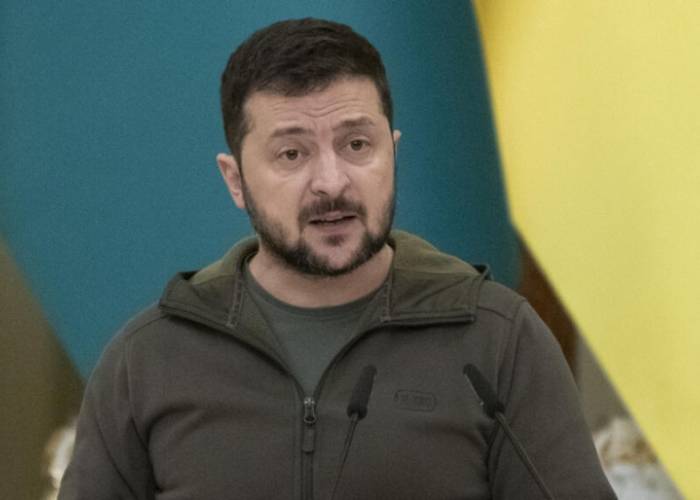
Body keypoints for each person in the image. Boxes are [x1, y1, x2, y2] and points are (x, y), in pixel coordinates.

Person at [59, 18, 615, 499]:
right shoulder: (149, 360)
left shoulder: (497, 340)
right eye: (292, 153)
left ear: (393, 152)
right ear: (236, 180)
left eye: (356, 145)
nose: (331, 182)